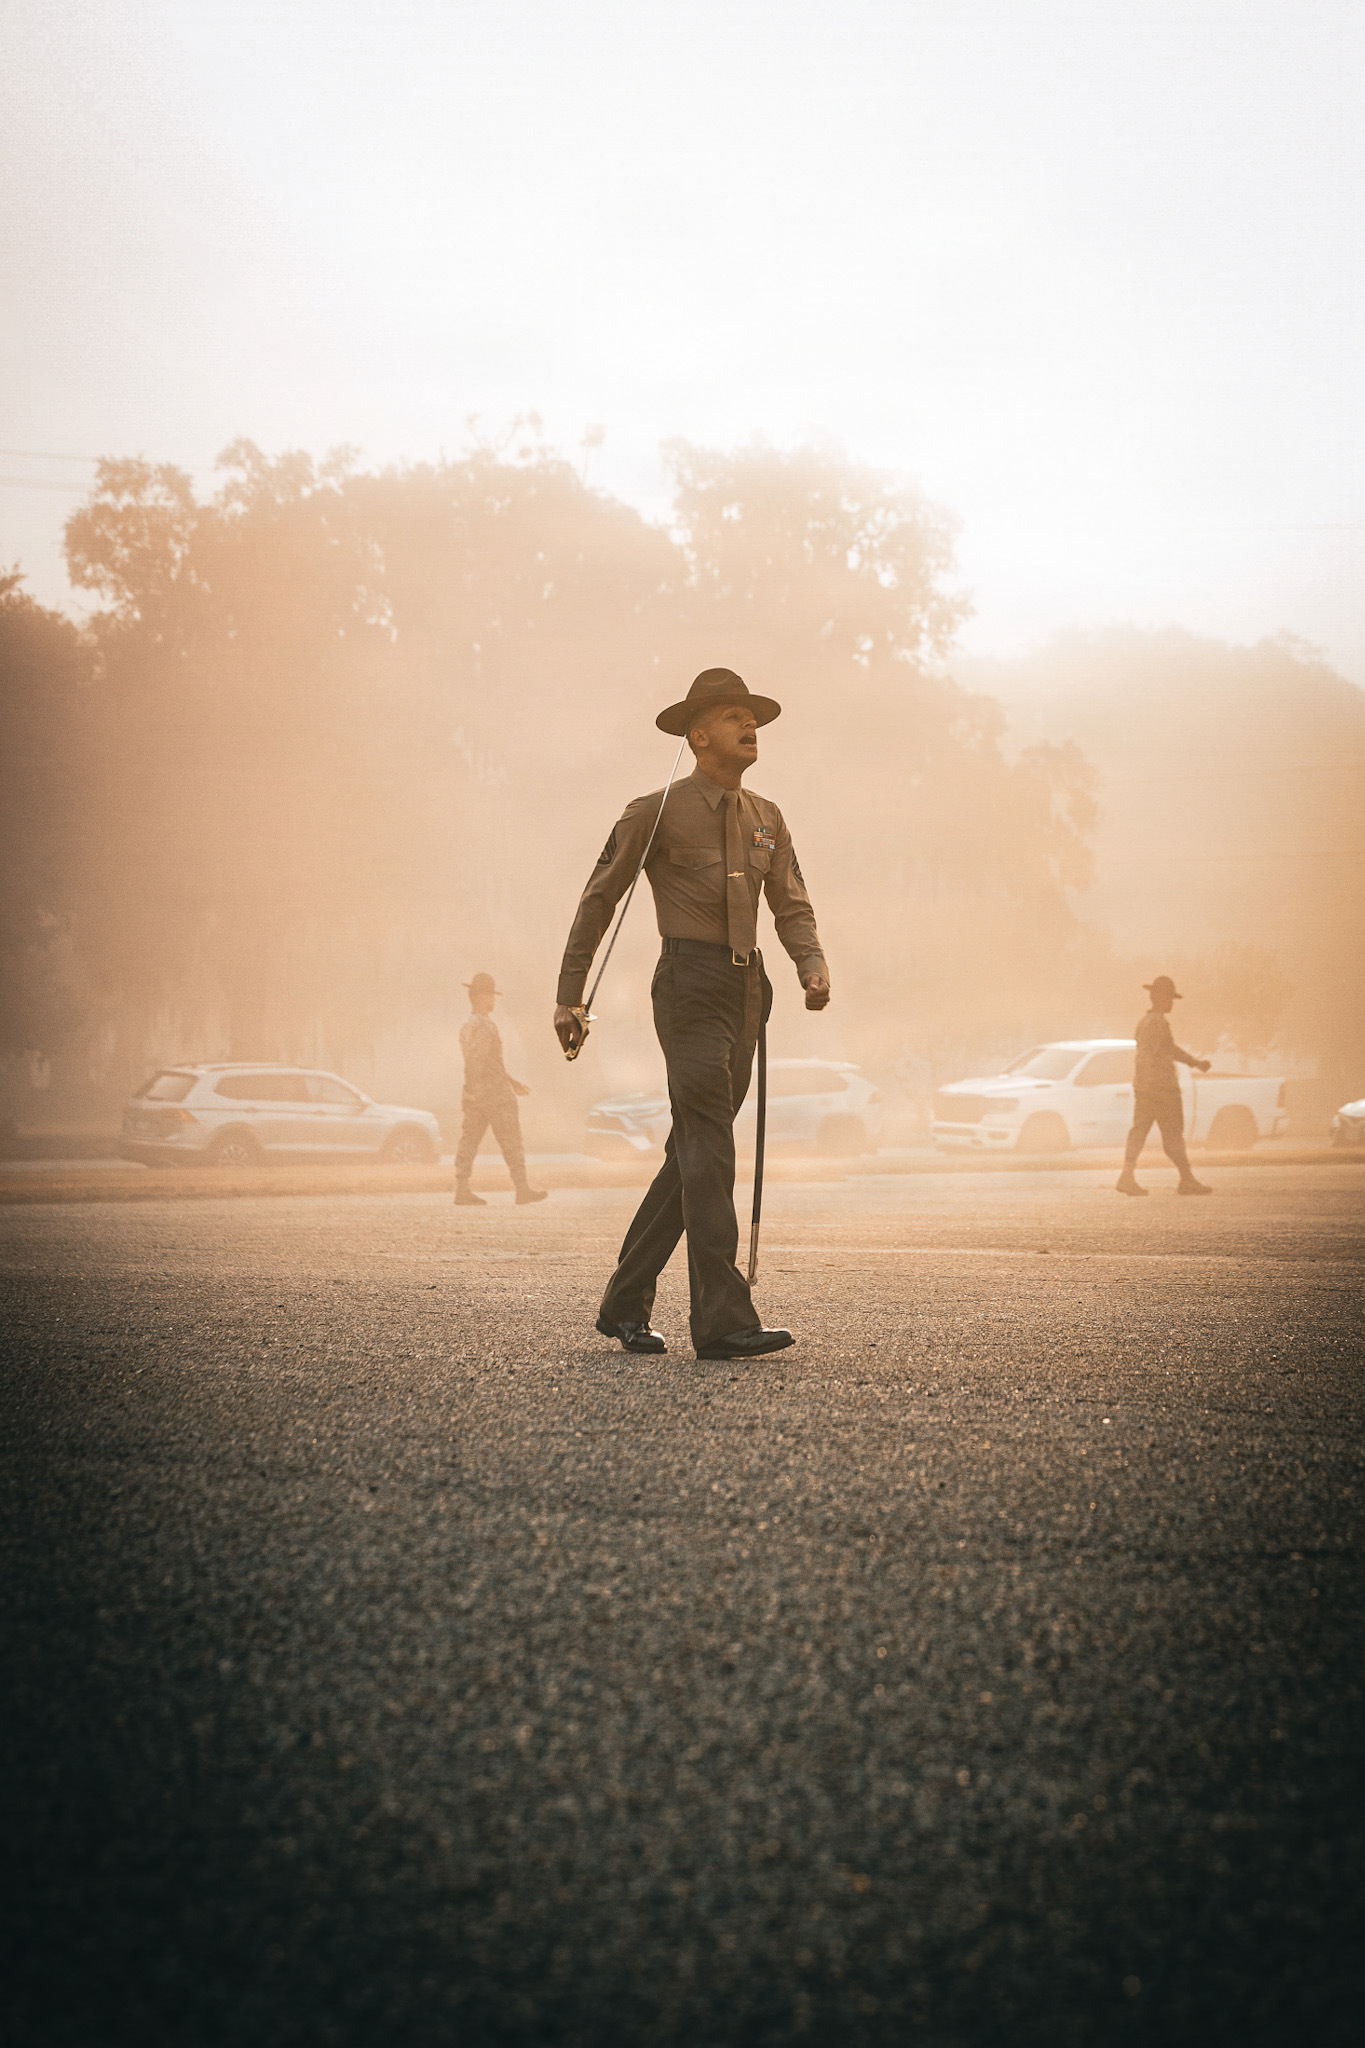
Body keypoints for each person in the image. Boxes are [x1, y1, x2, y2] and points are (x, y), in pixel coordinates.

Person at [554, 667, 830, 1360]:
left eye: (755, 717)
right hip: (688, 986)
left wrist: (809, 963)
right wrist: (570, 995)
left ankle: (623, 1302)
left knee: (693, 1155)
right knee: (709, 1146)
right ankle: (721, 1322)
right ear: (698, 735)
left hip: (748, 991)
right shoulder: (653, 810)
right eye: (736, 716)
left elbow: (790, 903)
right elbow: (598, 900)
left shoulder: (768, 817)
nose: (751, 726)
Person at [455, 973, 547, 1206]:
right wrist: (472, 1087)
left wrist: (511, 1083)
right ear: (481, 997)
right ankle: (522, 1188)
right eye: (491, 996)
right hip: (495, 1096)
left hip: (478, 1095)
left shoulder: (466, 1026)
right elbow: (479, 1060)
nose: (493, 1001)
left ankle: (462, 1188)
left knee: (469, 1142)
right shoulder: (486, 1026)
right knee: (512, 1142)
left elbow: (484, 1063)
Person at [1117, 974, 1212, 1196]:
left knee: (1140, 1133)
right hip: (1160, 1090)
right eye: (1168, 997)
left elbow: (1166, 1050)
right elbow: (1155, 1055)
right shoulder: (1155, 1024)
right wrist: (1154, 1086)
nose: (1171, 1003)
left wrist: (1194, 1062)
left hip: (1148, 1089)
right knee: (1172, 1135)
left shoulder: (1148, 1022)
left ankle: (1127, 1176)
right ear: (1157, 997)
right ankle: (1186, 1180)